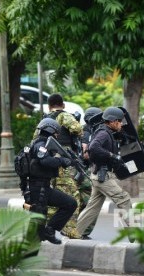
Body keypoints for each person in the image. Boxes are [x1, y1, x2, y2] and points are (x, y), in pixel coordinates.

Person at [76, 107, 132, 239]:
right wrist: (111, 155)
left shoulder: (106, 132)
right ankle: (135, 233)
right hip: (103, 177)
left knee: (92, 207)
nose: (121, 123)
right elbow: (93, 147)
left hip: (98, 175)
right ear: (112, 121)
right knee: (123, 199)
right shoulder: (104, 133)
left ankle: (75, 232)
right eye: (119, 121)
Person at [25, 118, 77, 244]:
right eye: (56, 133)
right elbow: (45, 161)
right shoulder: (40, 145)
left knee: (70, 203)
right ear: (50, 131)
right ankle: (25, 259)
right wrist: (62, 161)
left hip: (45, 188)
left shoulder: (43, 144)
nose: (57, 135)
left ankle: (50, 229)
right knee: (36, 229)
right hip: (37, 190)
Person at [43, 94, 84, 239]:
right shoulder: (64, 116)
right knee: (73, 195)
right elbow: (77, 129)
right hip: (63, 161)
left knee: (54, 195)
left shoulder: (44, 119)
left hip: (47, 162)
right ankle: (69, 228)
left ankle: (48, 224)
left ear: (49, 106)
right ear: (63, 105)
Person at [76, 107, 102, 239]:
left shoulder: (90, 130)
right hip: (82, 170)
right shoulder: (86, 132)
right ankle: (81, 231)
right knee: (89, 201)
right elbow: (85, 154)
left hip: (83, 169)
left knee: (86, 201)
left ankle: (80, 230)